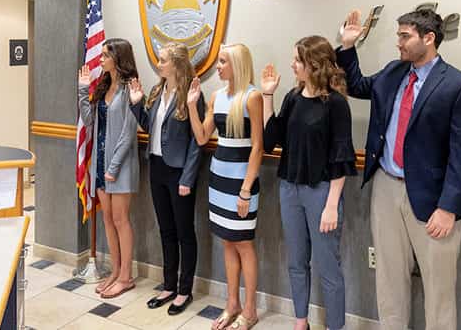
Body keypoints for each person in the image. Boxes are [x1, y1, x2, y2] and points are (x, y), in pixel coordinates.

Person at [335, 9, 461, 330]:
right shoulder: (393, 72)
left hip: (433, 199)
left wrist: (448, 208)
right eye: (398, 35)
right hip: (386, 186)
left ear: (428, 38)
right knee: (388, 277)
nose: (398, 43)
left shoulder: (460, 85)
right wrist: (347, 47)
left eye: (405, 36)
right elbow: (357, 86)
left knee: (438, 287)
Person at [262, 35, 357, 330]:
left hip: (322, 192)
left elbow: (342, 157)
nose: (292, 65)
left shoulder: (336, 104)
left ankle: (334, 326)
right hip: (289, 188)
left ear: (313, 65)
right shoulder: (292, 97)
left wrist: (331, 206)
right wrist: (268, 96)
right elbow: (270, 141)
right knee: (297, 261)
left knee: (328, 267)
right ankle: (300, 321)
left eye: (297, 61)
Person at [187, 44, 264, 330]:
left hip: (242, 182)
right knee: (227, 242)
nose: (217, 67)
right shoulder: (216, 97)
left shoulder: (252, 97)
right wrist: (191, 105)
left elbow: (257, 147)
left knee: (244, 243)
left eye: (222, 62)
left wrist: (246, 190)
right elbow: (201, 137)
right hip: (218, 179)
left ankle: (250, 309)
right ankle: (231, 304)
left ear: (237, 64)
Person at [129, 42, 204, 315]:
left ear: (176, 64)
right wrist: (137, 106)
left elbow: (198, 142)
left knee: (185, 232)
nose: (158, 64)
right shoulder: (156, 90)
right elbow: (150, 127)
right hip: (157, 167)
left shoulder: (192, 94)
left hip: (179, 172)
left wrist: (188, 178)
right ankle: (169, 285)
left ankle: (185, 291)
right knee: (166, 230)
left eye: (162, 60)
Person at [77, 38, 140, 299]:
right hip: (101, 162)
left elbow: (128, 133)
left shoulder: (130, 88)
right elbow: (89, 120)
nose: (100, 60)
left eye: (105, 56)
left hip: (121, 164)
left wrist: (113, 167)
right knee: (107, 220)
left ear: (118, 58)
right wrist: (83, 91)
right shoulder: (104, 86)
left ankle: (126, 276)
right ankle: (115, 272)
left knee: (120, 219)